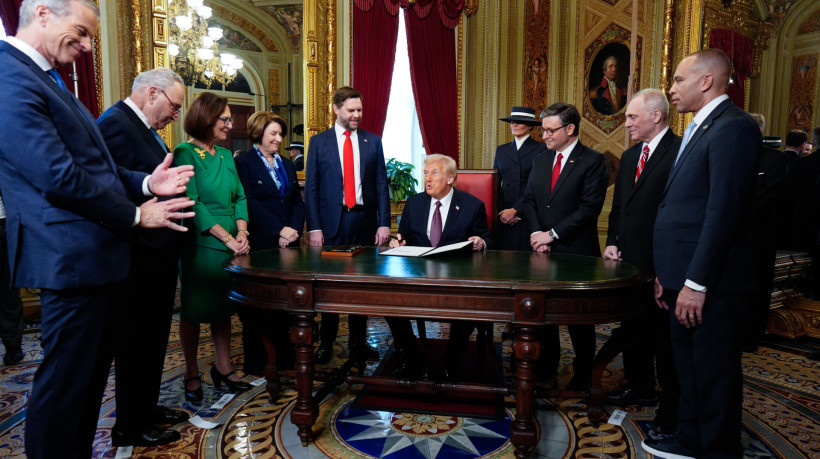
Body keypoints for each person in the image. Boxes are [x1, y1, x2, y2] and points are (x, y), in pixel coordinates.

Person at [0, 1, 196, 457]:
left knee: (85, 388)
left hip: (93, 260)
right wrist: (135, 214)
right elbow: (58, 176)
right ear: (44, 12)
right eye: (83, 32)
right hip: (71, 260)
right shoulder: (10, 76)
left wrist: (148, 182)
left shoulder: (48, 79)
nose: (88, 46)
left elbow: (99, 169)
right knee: (66, 389)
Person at [644, 48, 759, 459]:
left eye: (677, 79)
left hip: (712, 282)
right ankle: (691, 438)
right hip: (682, 276)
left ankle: (717, 449)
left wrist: (695, 282)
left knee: (713, 372)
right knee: (689, 368)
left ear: (706, 81)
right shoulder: (701, 126)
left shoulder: (734, 128)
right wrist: (668, 275)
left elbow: (723, 211)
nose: (671, 88)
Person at [97, 67, 189, 447]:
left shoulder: (146, 129)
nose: (175, 115)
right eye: (174, 106)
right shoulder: (116, 123)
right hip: (136, 258)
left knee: (153, 342)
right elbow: (110, 186)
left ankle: (147, 408)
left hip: (157, 258)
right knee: (136, 345)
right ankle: (130, 426)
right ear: (152, 93)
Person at [603, 89, 680, 432]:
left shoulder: (679, 152)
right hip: (629, 261)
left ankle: (671, 399)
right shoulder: (631, 154)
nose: (627, 122)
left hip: (663, 261)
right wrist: (612, 242)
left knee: (663, 336)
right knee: (633, 327)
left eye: (633, 116)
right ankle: (640, 386)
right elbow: (620, 208)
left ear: (656, 116)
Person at [521, 102, 608, 389]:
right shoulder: (540, 159)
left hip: (576, 252)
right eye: (543, 129)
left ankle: (584, 374)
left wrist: (552, 234)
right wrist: (537, 233)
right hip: (540, 251)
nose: (543, 135)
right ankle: (547, 368)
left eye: (550, 130)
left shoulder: (593, 161)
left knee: (579, 319)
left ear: (570, 129)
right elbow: (531, 200)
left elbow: (588, 208)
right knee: (544, 316)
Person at [173, 92, 253, 403]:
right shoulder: (185, 152)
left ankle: (224, 368)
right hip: (202, 242)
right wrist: (227, 238)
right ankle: (192, 373)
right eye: (225, 119)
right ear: (206, 118)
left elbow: (240, 198)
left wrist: (243, 231)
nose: (231, 125)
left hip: (233, 242)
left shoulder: (225, 155)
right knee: (194, 311)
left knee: (223, 309)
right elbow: (192, 202)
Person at [304, 86, 390, 364]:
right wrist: (314, 228)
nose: (357, 115)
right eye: (351, 110)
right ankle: (326, 343)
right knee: (330, 287)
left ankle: (358, 343)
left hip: (363, 221)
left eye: (360, 110)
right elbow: (312, 189)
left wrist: (384, 224)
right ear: (336, 109)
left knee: (360, 287)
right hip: (332, 223)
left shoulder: (372, 141)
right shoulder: (319, 142)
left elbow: (381, 184)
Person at [387, 154, 491, 378]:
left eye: (434, 173)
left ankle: (453, 358)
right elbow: (403, 236)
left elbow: (487, 239)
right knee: (389, 303)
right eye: (425, 173)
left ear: (451, 178)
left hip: (458, 278)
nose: (428, 179)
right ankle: (412, 355)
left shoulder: (472, 206)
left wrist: (480, 242)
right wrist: (397, 241)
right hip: (418, 277)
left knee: (471, 306)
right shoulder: (414, 203)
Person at [235, 111, 304, 374]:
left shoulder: (286, 164)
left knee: (286, 307)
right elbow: (249, 202)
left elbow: (296, 201)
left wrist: (294, 229)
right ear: (258, 133)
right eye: (273, 134)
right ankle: (259, 362)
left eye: (280, 134)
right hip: (263, 243)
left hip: (290, 244)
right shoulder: (245, 162)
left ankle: (286, 359)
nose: (279, 139)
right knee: (262, 306)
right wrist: (279, 230)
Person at [742, 113, 788, 350]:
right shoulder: (732, 155)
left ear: (758, 130)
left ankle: (751, 337)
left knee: (758, 287)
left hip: (760, 235)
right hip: (732, 236)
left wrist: (737, 219)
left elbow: (769, 196)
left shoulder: (775, 160)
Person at [493, 106, 546, 251]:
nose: (514, 125)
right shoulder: (501, 150)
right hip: (503, 217)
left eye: (519, 122)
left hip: (528, 214)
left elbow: (538, 185)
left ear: (530, 126)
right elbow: (495, 185)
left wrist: (515, 210)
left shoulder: (542, 149)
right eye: (512, 122)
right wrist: (503, 212)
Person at [0, 195, 23, 367]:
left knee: (8, 291)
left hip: (4, 224)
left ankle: (13, 348)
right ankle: (13, 348)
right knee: (7, 291)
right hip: (5, 225)